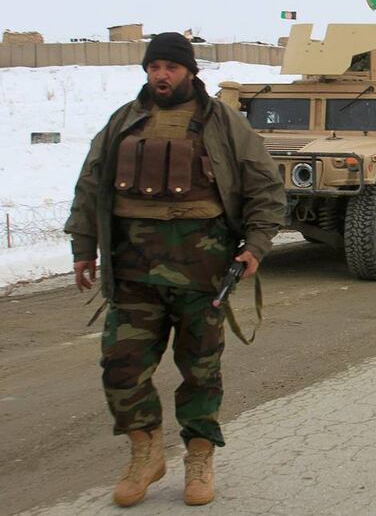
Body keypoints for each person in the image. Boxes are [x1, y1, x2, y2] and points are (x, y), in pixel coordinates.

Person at [65, 33, 286, 507]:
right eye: (153, 67)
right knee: (121, 369)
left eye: (170, 67)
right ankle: (145, 453)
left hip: (203, 276)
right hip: (132, 274)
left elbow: (265, 187)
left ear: (190, 71)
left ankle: (199, 456)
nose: (160, 75)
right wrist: (84, 246)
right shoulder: (124, 121)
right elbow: (90, 183)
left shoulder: (221, 123)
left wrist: (257, 246)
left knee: (201, 372)